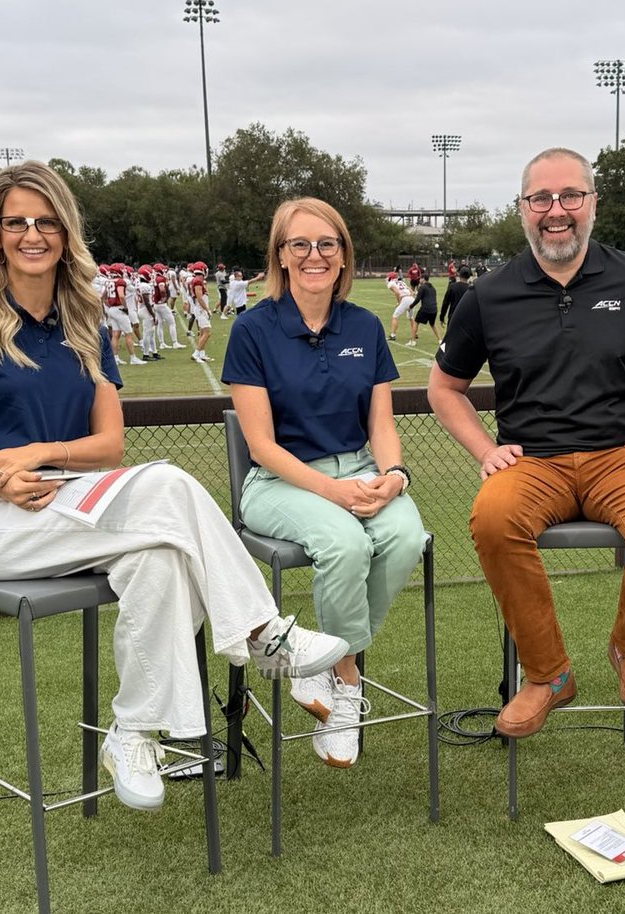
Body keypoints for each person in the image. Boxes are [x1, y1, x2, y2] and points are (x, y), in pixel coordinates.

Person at [0, 161, 348, 812]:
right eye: (16, 222)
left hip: (78, 501)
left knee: (160, 557)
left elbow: (108, 446)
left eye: (46, 222)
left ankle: (133, 734)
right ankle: (261, 632)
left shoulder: (84, 321)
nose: (32, 234)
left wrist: (44, 453)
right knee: (166, 484)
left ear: (66, 231)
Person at [428, 147, 625, 738]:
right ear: (522, 208)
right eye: (541, 199)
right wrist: (485, 451)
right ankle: (547, 674)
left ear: (592, 203)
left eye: (570, 196)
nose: (556, 211)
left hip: (621, 456)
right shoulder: (489, 293)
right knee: (493, 519)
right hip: (532, 460)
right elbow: (444, 388)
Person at [222, 197, 425, 768]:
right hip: (279, 481)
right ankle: (346, 680)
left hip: (360, 470)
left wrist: (394, 476)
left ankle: (322, 665)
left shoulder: (363, 324)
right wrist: (331, 492)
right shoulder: (252, 329)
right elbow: (261, 446)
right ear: (281, 256)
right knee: (345, 544)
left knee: (406, 537)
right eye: (300, 245)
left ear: (343, 255)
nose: (314, 255)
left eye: (326, 244)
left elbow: (380, 424)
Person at [406, 272, 439, 347]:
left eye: (420, 278)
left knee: (416, 322)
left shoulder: (422, 287)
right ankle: (440, 340)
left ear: (423, 279)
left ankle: (413, 341)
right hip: (434, 309)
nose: (419, 280)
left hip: (426, 309)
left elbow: (417, 299)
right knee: (432, 324)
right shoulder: (433, 288)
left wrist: (410, 307)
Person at [386, 271, 415, 341]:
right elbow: (412, 291)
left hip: (405, 299)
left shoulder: (391, 283)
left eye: (387, 277)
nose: (386, 278)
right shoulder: (402, 282)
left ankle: (393, 335)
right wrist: (409, 298)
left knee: (395, 316)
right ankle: (414, 333)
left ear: (390, 278)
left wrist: (399, 302)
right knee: (411, 317)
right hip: (411, 299)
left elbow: (397, 292)